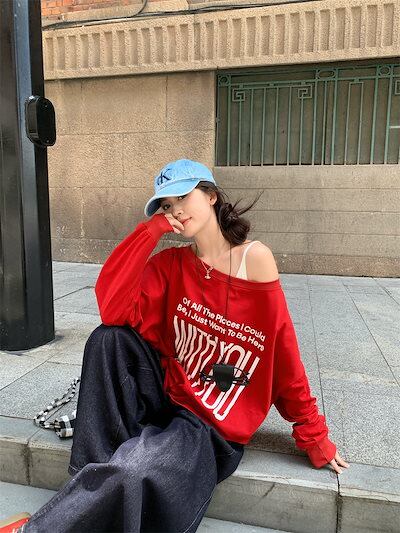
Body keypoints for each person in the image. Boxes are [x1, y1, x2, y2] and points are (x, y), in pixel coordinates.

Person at [1, 159, 349, 533]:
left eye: (183, 196)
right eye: (167, 205)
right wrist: (151, 230)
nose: (176, 210)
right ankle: (92, 476)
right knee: (107, 339)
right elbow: (113, 309)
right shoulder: (171, 264)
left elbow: (282, 352)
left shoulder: (254, 259)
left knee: (135, 469)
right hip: (168, 393)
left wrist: (314, 435)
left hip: (210, 421)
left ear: (211, 195)